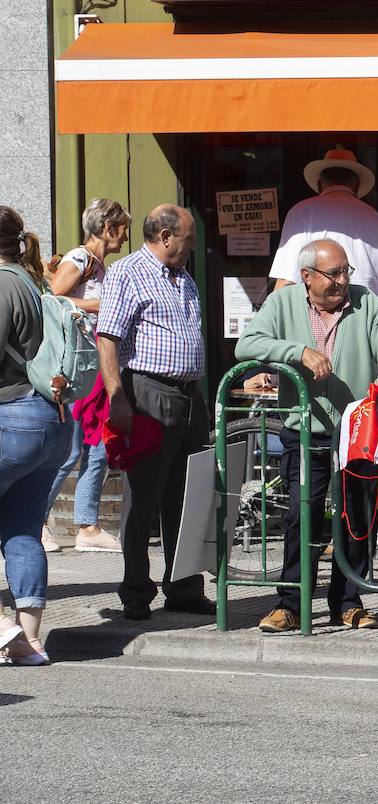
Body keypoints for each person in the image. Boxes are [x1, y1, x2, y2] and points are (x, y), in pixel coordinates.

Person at [238, 239, 378, 632]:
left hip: (356, 433)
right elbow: (248, 344)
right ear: (306, 277)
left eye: (346, 271)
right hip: (305, 430)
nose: (342, 281)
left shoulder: (365, 302)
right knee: (303, 518)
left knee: (357, 518)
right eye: (333, 274)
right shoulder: (284, 304)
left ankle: (348, 602)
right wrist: (297, 352)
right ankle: (291, 605)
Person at [97, 205, 215, 620]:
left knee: (186, 498)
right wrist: (118, 398)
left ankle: (183, 588)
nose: (192, 246)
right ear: (165, 236)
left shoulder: (183, 278)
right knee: (143, 497)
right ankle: (135, 592)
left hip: (188, 395)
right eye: (188, 238)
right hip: (148, 392)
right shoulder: (128, 272)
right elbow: (108, 337)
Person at [0, 206, 72, 664]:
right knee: (23, 530)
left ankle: (4, 629)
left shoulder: (3, 282)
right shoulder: (30, 280)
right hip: (49, 420)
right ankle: (30, 643)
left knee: (24, 529)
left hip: (13, 417)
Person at [43, 198, 131, 554]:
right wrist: (104, 305)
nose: (125, 237)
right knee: (71, 448)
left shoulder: (98, 265)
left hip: (96, 363)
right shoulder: (80, 259)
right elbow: (53, 297)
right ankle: (34, 521)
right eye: (122, 229)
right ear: (108, 229)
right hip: (79, 365)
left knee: (98, 446)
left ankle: (88, 524)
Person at [269, 148, 378, 298]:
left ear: (319, 184)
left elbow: (286, 281)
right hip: (369, 313)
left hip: (316, 315)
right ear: (356, 186)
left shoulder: (301, 213)